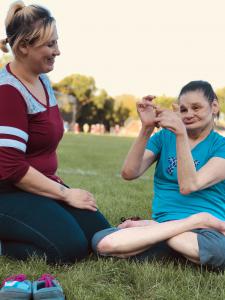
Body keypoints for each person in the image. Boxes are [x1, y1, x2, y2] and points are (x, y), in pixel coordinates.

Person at [0, 1, 110, 264]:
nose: (57, 51)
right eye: (50, 45)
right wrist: (64, 194)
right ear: (24, 47)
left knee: (100, 236)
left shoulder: (44, 80)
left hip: (38, 186)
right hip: (7, 192)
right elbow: (10, 168)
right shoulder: (8, 92)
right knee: (69, 248)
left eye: (56, 43)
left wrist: (54, 188)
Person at [92, 81, 225, 269]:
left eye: (196, 107)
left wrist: (181, 134)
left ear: (214, 106)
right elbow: (129, 173)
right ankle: (173, 235)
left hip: (207, 232)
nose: (189, 115)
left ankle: (164, 233)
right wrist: (146, 128)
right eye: (184, 109)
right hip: (166, 226)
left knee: (219, 251)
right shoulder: (164, 138)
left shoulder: (221, 146)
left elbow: (189, 186)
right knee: (102, 242)